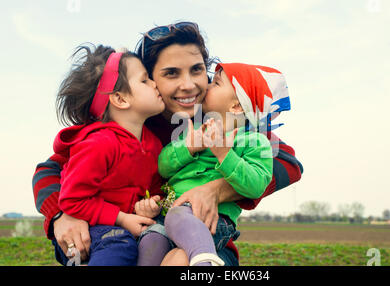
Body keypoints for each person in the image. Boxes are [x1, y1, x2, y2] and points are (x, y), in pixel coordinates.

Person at [32, 22, 304, 266]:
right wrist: (60, 215)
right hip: (120, 240)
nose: (189, 85)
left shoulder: (217, 121)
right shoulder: (129, 122)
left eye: (197, 70)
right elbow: (50, 170)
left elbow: (288, 162)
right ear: (150, 80)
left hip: (200, 242)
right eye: (171, 73)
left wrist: (217, 189)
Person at [137, 62, 290, 266]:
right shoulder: (193, 131)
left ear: (236, 106)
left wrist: (225, 155)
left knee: (178, 246)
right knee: (150, 241)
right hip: (166, 217)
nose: (207, 85)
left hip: (210, 220)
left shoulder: (254, 141)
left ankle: (203, 260)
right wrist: (189, 147)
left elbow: (257, 185)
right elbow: (163, 166)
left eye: (216, 83)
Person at [48, 44, 166, 265]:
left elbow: (155, 187)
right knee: (119, 244)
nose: (154, 83)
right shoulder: (98, 144)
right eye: (144, 80)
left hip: (120, 228)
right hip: (85, 229)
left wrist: (151, 204)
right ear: (120, 99)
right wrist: (121, 218)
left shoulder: (153, 144)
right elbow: (72, 200)